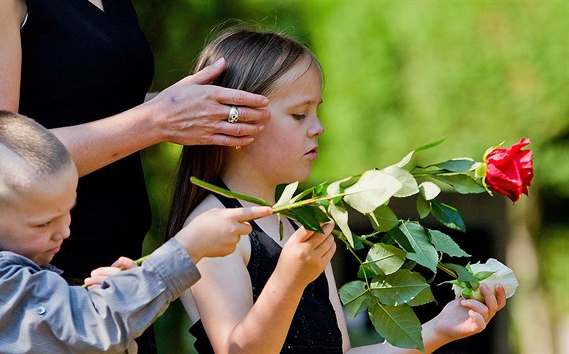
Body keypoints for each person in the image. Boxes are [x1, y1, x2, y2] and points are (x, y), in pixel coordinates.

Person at [166, 28, 507, 354]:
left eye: (317, 111)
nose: (318, 128)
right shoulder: (214, 229)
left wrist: (438, 330)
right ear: (236, 119)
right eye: (299, 114)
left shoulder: (300, 225)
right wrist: (290, 278)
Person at [0, 111, 273, 353]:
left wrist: (111, 292)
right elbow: (91, 327)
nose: (64, 232)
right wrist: (185, 250)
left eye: (67, 213)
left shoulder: (16, 274)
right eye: (43, 224)